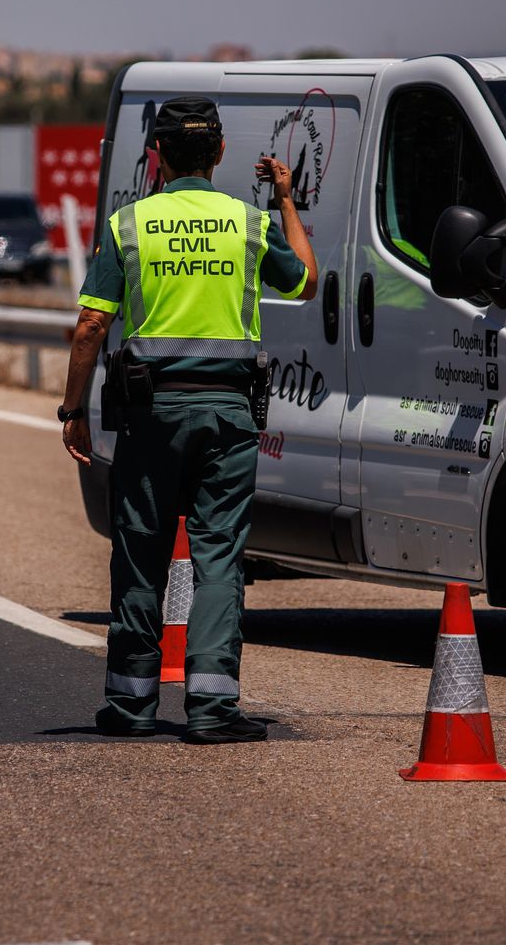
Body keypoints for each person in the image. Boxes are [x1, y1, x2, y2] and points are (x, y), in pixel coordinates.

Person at [59, 97, 318, 743]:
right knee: (219, 559)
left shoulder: (129, 225)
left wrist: (73, 409)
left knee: (140, 556)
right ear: (222, 154)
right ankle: (211, 709)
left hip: (150, 414)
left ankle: (130, 706)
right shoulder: (247, 224)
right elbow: (306, 281)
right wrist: (284, 200)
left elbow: (92, 323)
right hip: (227, 415)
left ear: (158, 156)